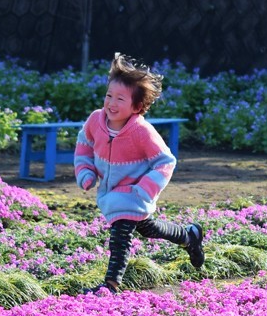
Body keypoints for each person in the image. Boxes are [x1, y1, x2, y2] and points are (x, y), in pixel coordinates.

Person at [74, 53, 205, 295]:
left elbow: (166, 161)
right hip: (110, 193)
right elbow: (84, 143)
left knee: (120, 236)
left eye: (120, 99)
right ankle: (189, 237)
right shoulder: (95, 120)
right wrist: (85, 170)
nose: (111, 103)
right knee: (149, 229)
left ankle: (110, 286)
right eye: (108, 96)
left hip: (133, 194)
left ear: (137, 107)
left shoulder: (142, 131)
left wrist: (144, 189)